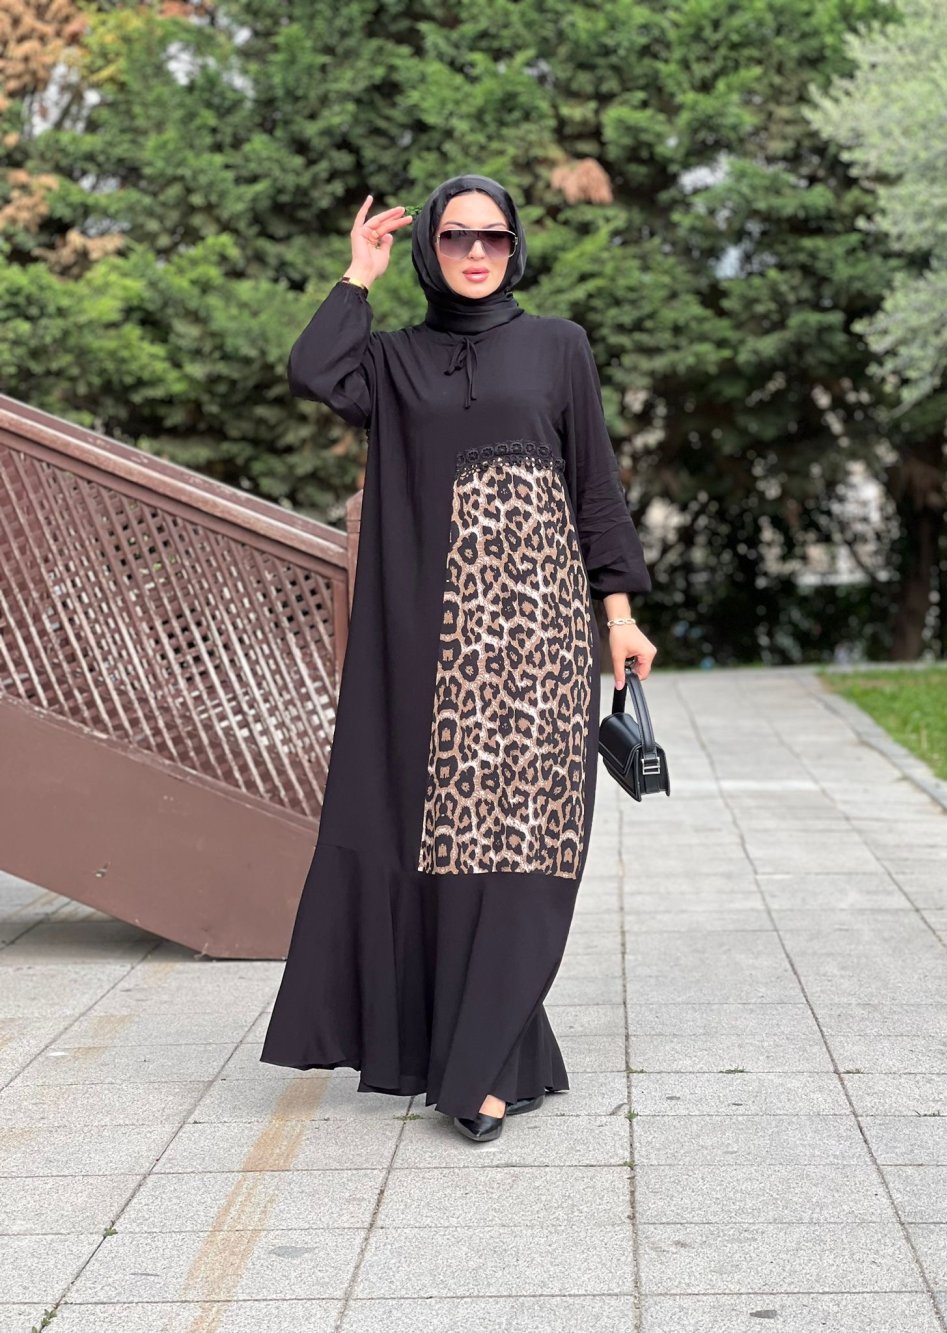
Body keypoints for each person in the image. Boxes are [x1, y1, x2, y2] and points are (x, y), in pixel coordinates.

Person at [259, 173, 656, 1143]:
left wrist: (618, 615)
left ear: (515, 247)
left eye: (492, 236)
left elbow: (594, 486)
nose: (475, 252)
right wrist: (358, 275)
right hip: (429, 644)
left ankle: (477, 1069)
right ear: (428, 251)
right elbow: (314, 371)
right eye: (453, 237)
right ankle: (496, 1050)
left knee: (526, 846)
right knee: (443, 846)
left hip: (539, 639)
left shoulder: (557, 346)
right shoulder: (394, 361)